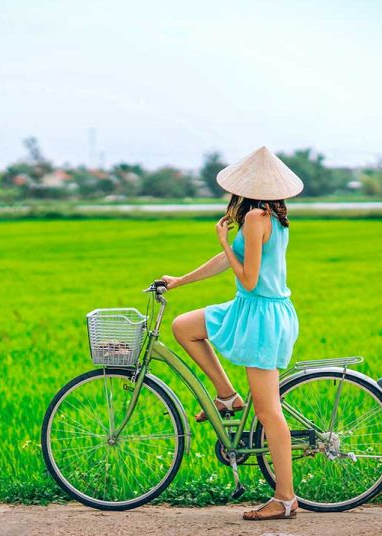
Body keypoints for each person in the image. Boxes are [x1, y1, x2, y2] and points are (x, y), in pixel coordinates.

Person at [161, 145, 303, 521]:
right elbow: (230, 261)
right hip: (250, 309)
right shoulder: (266, 216)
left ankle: (286, 497)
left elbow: (250, 278)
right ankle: (227, 397)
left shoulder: (257, 218)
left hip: (262, 316)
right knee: (184, 327)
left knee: (269, 410)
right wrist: (179, 282)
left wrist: (223, 239)